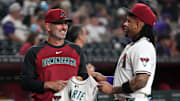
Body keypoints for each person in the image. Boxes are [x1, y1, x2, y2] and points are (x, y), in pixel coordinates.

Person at [92, 3, 157, 101]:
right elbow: (125, 79)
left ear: (138, 24)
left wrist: (113, 90)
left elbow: (141, 81)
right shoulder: (133, 45)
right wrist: (105, 79)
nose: (125, 24)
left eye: (129, 21)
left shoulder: (143, 46)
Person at [21, 8, 88, 101]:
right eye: (59, 23)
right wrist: (48, 85)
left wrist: (77, 80)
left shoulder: (76, 50)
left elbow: (84, 75)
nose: (64, 27)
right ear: (48, 26)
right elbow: (25, 82)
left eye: (65, 23)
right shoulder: (34, 52)